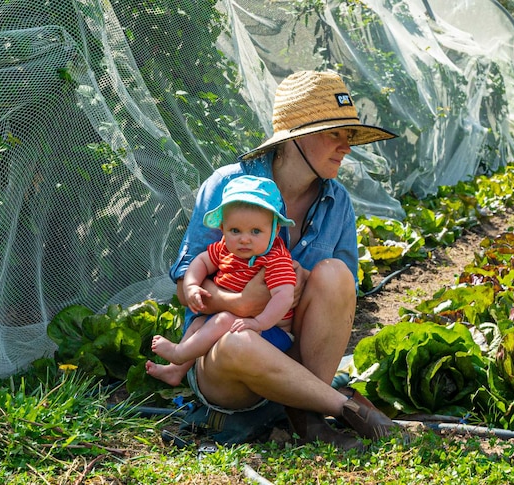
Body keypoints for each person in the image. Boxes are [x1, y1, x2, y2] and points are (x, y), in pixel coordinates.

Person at [166, 70, 400, 450]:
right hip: (224, 361)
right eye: (335, 134)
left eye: (349, 136)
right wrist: (239, 304)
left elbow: (339, 298)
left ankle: (304, 411)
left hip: (289, 344)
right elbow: (184, 285)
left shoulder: (336, 201)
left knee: (336, 274)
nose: (347, 147)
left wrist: (303, 280)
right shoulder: (227, 186)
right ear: (298, 137)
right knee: (239, 341)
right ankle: (345, 411)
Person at [146, 175, 298, 385]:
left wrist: (257, 322)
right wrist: (191, 285)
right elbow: (201, 262)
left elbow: (284, 296)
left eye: (256, 231)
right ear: (223, 229)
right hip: (237, 321)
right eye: (235, 230)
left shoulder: (275, 259)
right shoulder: (225, 248)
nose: (244, 239)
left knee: (224, 319)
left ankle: (179, 353)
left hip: (272, 332)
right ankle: (175, 371)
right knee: (199, 322)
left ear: (275, 230)